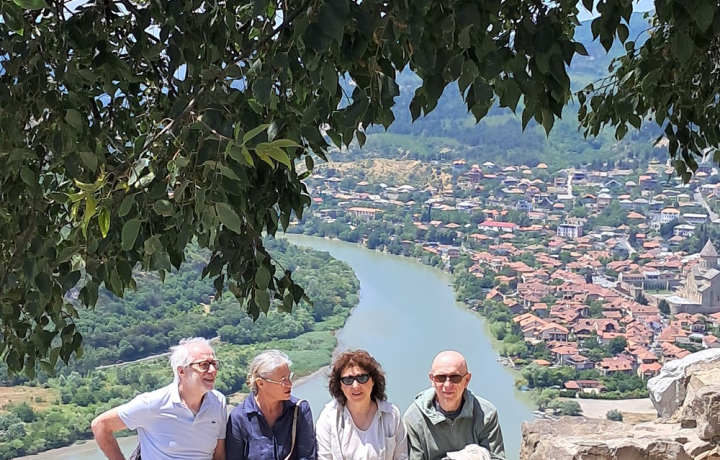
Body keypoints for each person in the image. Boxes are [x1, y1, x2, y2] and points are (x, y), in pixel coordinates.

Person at [91, 337, 227, 460]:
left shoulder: (218, 402)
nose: (212, 370)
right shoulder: (152, 404)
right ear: (181, 371)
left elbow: (219, 455)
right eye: (203, 365)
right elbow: (100, 425)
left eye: (214, 364)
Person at [403, 351, 506, 460]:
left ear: (467, 380)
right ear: (432, 379)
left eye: (455, 378)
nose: (447, 385)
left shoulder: (486, 414)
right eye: (440, 378)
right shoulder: (414, 419)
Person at [316, 349, 407, 460]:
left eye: (362, 378)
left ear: (373, 381)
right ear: (340, 385)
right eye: (348, 380)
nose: (355, 386)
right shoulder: (329, 417)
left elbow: (401, 457)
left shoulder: (391, 415)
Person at [226, 349, 316, 460]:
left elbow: (307, 456)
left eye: (289, 377)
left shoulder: (300, 409)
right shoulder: (238, 418)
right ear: (260, 383)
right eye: (283, 380)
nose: (289, 384)